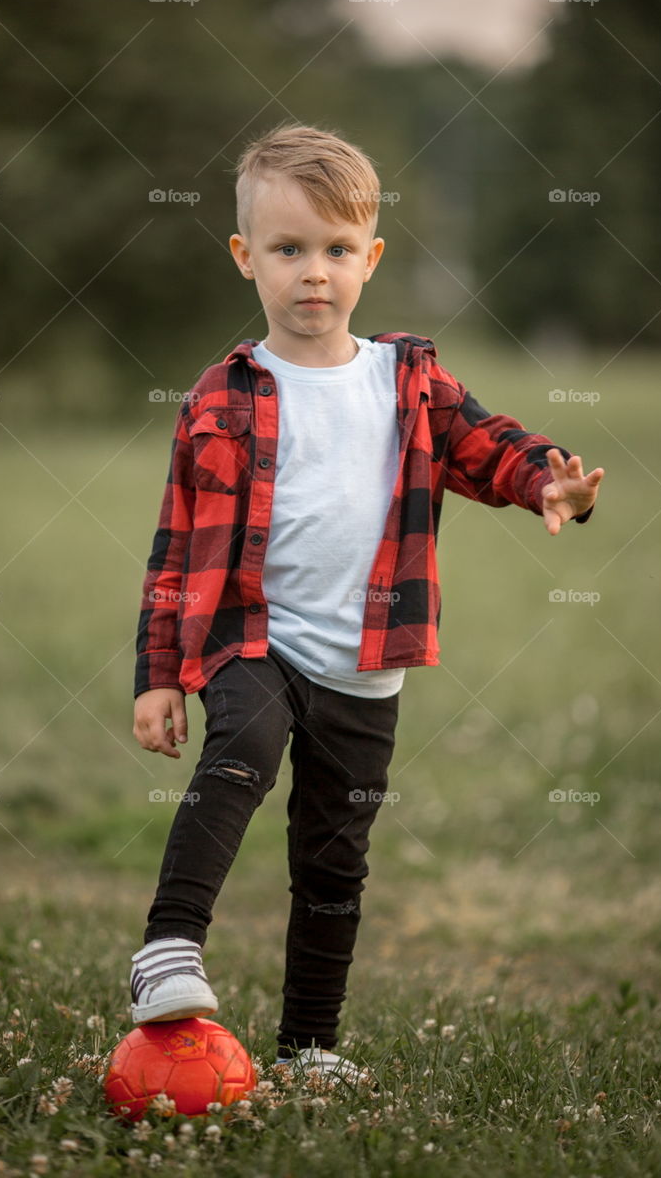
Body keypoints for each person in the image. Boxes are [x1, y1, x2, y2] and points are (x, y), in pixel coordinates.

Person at [129, 122, 604, 1081]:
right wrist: (159, 677)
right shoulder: (221, 396)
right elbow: (174, 548)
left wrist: (544, 484)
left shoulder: (407, 378)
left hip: (368, 663)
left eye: (336, 250)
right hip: (252, 639)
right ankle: (167, 950)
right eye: (288, 249)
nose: (314, 272)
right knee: (242, 755)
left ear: (370, 258)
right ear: (244, 258)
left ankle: (309, 1046)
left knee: (334, 860)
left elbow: (487, 443)